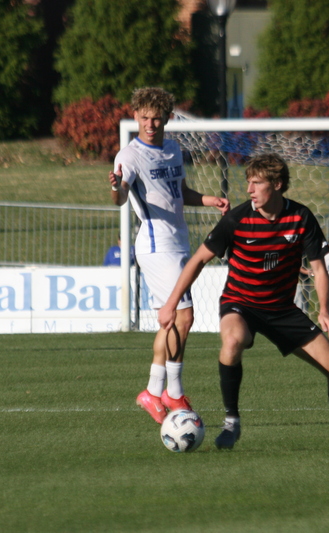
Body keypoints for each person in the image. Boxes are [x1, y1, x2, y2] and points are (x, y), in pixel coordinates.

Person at [157, 153, 329, 450]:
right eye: (248, 183)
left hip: (282, 310)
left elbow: (320, 269)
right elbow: (197, 261)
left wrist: (324, 311)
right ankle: (231, 421)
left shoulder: (300, 217)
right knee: (233, 340)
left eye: (256, 183)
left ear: (278, 185)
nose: (249, 190)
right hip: (240, 303)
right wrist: (170, 304)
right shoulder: (238, 219)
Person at [108, 87, 230, 424]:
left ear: (167, 118)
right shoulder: (128, 157)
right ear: (135, 117)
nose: (150, 123)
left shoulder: (173, 150)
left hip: (178, 243)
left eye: (156, 117)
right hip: (154, 244)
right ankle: (172, 393)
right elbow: (120, 198)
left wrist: (210, 200)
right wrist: (117, 187)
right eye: (144, 117)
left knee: (173, 320)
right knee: (184, 317)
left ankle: (153, 391)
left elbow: (179, 194)